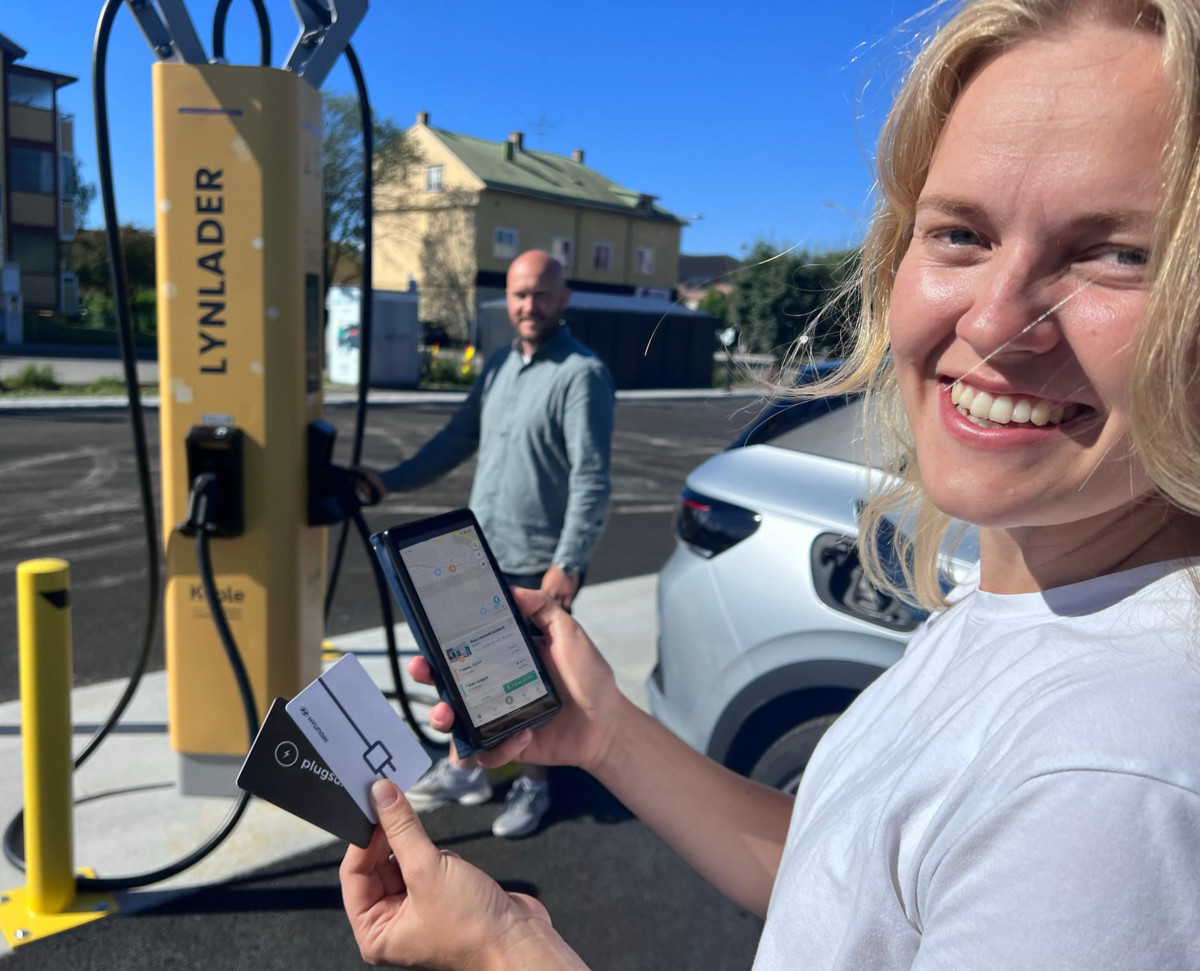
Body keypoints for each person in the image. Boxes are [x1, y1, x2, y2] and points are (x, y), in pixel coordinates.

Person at [341, 0, 1200, 966]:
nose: (998, 319)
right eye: (962, 232)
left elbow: (589, 474)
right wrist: (607, 734)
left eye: (1120, 253)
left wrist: (506, 948)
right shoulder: (1029, 596)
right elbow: (850, 883)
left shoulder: (1113, 782)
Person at [357, 249, 615, 839]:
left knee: (529, 682)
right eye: (521, 294)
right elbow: (455, 439)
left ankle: (535, 782)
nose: (530, 305)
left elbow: (591, 478)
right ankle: (465, 770)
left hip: (537, 560)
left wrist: (568, 564)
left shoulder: (581, 375)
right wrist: (390, 480)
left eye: (541, 294)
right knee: (464, 668)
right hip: (478, 552)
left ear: (563, 298)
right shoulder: (499, 365)